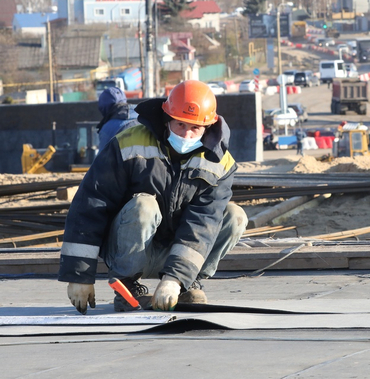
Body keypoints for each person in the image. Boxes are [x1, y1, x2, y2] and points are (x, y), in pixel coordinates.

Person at [59, 80, 247, 314]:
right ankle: (127, 285)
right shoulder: (129, 143)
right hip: (127, 248)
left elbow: (203, 222)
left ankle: (187, 283)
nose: (186, 134)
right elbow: (91, 204)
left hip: (177, 250)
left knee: (234, 215)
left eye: (195, 128)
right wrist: (79, 275)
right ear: (167, 118)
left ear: (208, 127)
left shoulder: (219, 163)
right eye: (180, 124)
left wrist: (174, 279)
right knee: (144, 205)